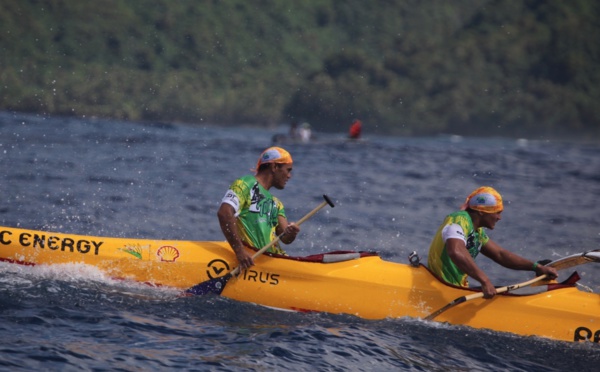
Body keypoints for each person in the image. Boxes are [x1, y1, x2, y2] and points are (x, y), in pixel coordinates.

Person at [427, 186, 558, 298]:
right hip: (442, 286)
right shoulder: (459, 219)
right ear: (482, 212)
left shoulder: (477, 232)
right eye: (497, 213)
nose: (499, 218)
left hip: (456, 287)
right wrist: (484, 280)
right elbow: (455, 251)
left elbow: (500, 254)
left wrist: (536, 267)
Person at [217, 147, 300, 271]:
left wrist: (291, 233)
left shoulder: (277, 203)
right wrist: (240, 251)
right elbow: (224, 213)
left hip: (275, 264)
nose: (289, 176)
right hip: (253, 263)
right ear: (274, 167)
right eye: (288, 170)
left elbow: (285, 238)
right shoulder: (245, 183)